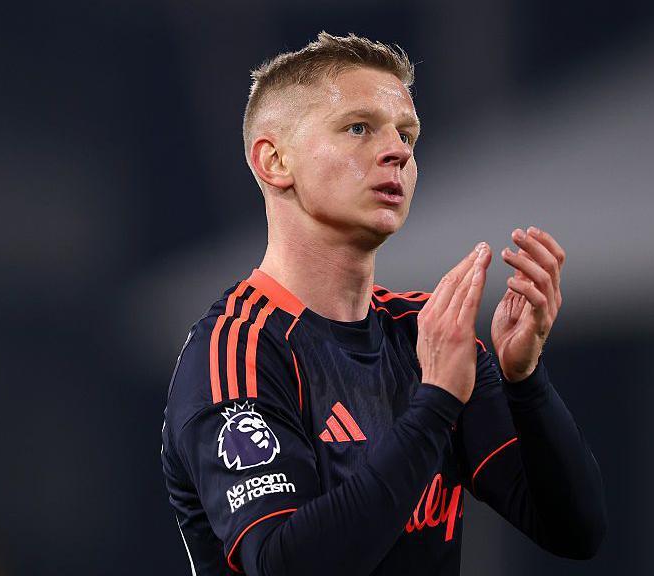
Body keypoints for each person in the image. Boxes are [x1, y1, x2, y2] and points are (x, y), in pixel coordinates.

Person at [161, 31, 607, 576]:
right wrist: (436, 402)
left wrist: (525, 382)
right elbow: (287, 565)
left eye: (407, 136)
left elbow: (574, 529)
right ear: (274, 161)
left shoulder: (423, 333)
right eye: (358, 128)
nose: (397, 151)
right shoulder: (238, 351)